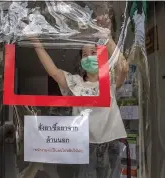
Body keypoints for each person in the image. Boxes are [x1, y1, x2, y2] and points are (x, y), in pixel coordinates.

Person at [29, 14, 129, 178]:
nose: (89, 56)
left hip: (112, 142)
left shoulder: (109, 80)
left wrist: (107, 37)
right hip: (85, 145)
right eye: (84, 54)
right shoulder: (75, 83)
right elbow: (53, 71)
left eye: (93, 52)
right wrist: (35, 42)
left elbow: (123, 67)